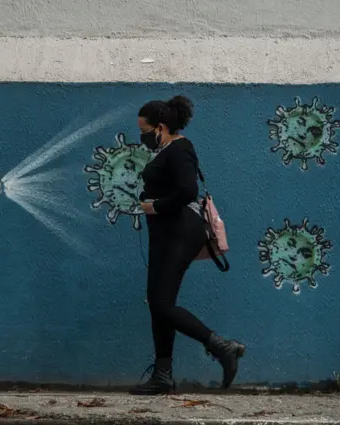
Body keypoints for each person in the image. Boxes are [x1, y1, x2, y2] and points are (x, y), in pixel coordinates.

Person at [129, 95, 245, 395]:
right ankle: (163, 375)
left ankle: (222, 347)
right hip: (166, 233)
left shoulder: (181, 149)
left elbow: (188, 192)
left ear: (162, 127)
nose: (142, 137)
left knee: (162, 303)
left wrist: (155, 207)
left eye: (144, 131)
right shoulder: (168, 150)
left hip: (180, 231)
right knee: (158, 304)